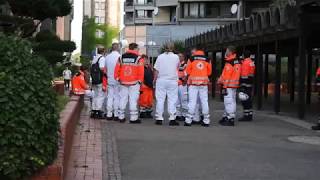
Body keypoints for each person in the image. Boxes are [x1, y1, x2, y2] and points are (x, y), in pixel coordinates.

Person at [114, 43, 144, 123]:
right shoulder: (138, 58)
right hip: (134, 83)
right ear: (134, 48)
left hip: (123, 82)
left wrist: (118, 78)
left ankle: (121, 117)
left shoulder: (121, 57)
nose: (138, 50)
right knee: (133, 100)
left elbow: (116, 70)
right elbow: (141, 71)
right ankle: (133, 118)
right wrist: (140, 81)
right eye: (138, 48)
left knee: (122, 99)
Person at [184, 47, 212, 127]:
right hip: (203, 84)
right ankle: (206, 120)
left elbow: (187, 71)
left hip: (193, 84)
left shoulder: (192, 59)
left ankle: (188, 120)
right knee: (204, 102)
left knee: (192, 102)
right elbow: (209, 73)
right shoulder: (207, 59)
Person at [154, 42, 180, 126]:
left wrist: (154, 80)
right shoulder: (176, 57)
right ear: (173, 48)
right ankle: (172, 118)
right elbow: (177, 68)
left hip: (161, 80)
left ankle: (159, 118)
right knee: (172, 99)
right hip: (172, 81)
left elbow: (156, 70)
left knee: (160, 99)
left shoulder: (160, 57)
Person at [218, 46, 241, 126]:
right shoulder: (237, 61)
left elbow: (227, 76)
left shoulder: (229, 62)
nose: (226, 52)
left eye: (227, 51)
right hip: (234, 85)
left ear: (230, 52)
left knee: (228, 102)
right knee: (232, 102)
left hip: (228, 86)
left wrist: (224, 86)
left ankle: (230, 118)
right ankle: (228, 117)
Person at [105, 43, 121, 121]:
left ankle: (109, 114)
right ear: (118, 48)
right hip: (117, 79)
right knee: (117, 97)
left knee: (110, 97)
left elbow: (105, 69)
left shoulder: (107, 57)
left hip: (109, 79)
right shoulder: (120, 57)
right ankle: (116, 114)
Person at [238, 50, 255, 122]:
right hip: (250, 84)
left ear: (244, 55)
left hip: (245, 84)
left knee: (244, 100)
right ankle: (250, 114)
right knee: (249, 100)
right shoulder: (251, 62)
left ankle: (246, 116)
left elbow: (244, 75)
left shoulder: (245, 63)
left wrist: (242, 85)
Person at [90, 46, 106, 119]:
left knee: (95, 95)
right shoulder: (102, 58)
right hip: (100, 80)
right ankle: (98, 111)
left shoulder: (94, 58)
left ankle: (94, 111)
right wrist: (106, 74)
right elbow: (102, 68)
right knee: (101, 96)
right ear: (103, 51)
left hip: (94, 80)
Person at [176, 53, 188, 121]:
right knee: (176, 101)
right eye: (178, 56)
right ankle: (178, 114)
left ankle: (184, 115)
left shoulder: (185, 65)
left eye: (180, 56)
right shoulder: (176, 64)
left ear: (183, 57)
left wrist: (185, 81)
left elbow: (186, 74)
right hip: (176, 84)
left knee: (184, 100)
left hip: (182, 84)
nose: (179, 57)